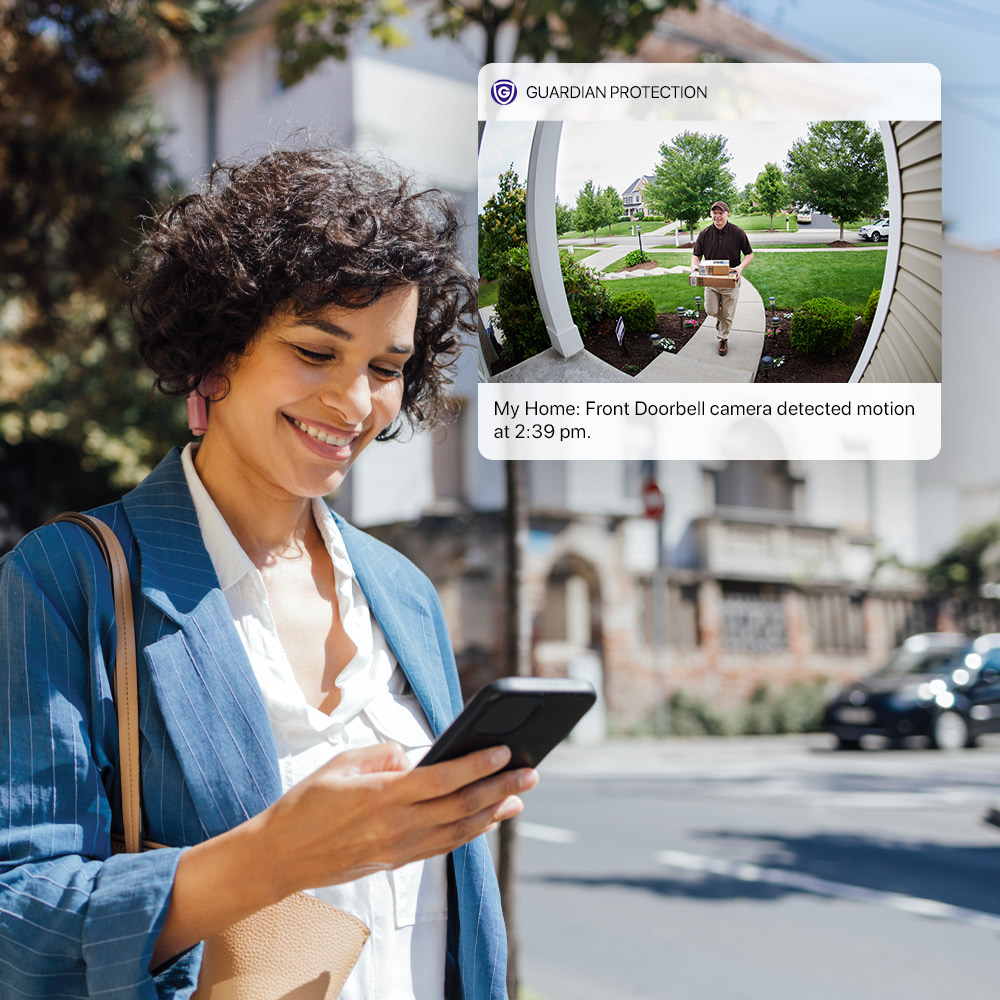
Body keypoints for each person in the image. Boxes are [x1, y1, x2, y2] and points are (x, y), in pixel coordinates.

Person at [0, 147, 536, 999]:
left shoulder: (401, 593)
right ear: (219, 353)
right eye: (316, 352)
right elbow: (17, 920)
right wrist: (273, 857)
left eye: (387, 369)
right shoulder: (68, 581)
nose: (356, 404)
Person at [689, 201, 754, 357]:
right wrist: (694, 266)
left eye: (721, 213)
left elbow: (749, 254)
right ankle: (721, 320)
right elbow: (696, 255)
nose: (717, 216)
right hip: (711, 281)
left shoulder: (738, 233)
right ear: (711, 215)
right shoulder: (704, 234)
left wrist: (740, 268)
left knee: (728, 314)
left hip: (731, 281)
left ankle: (723, 339)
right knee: (710, 310)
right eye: (715, 213)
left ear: (727, 214)